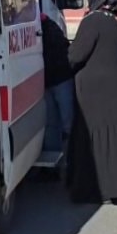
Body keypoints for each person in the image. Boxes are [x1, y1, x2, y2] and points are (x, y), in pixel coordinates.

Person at [66, 0, 117, 202]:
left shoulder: (92, 21)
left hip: (94, 89)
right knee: (116, 133)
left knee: (94, 134)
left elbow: (77, 55)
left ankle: (96, 189)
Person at [40, 14, 74, 157]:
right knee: (64, 122)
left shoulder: (47, 28)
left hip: (54, 79)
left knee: (53, 124)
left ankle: (63, 157)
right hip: (58, 78)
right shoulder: (51, 26)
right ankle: (70, 158)